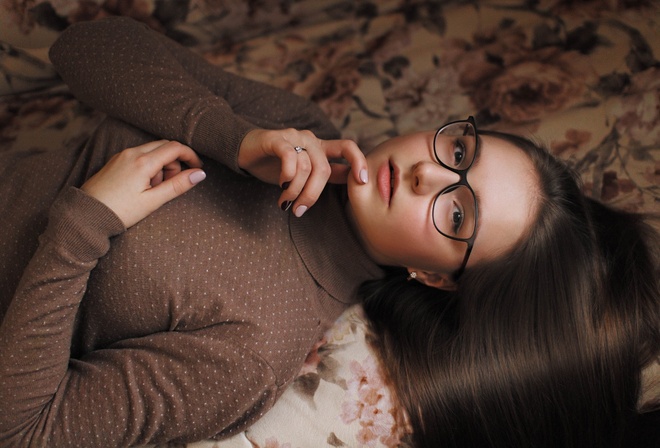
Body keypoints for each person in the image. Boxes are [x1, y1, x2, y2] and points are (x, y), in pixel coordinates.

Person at [0, 16, 657, 448]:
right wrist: (233, 136)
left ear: (434, 276)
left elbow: (27, 430)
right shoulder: (299, 126)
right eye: (458, 154)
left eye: (457, 216)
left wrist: (86, 225)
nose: (429, 175)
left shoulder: (255, 349)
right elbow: (85, 44)